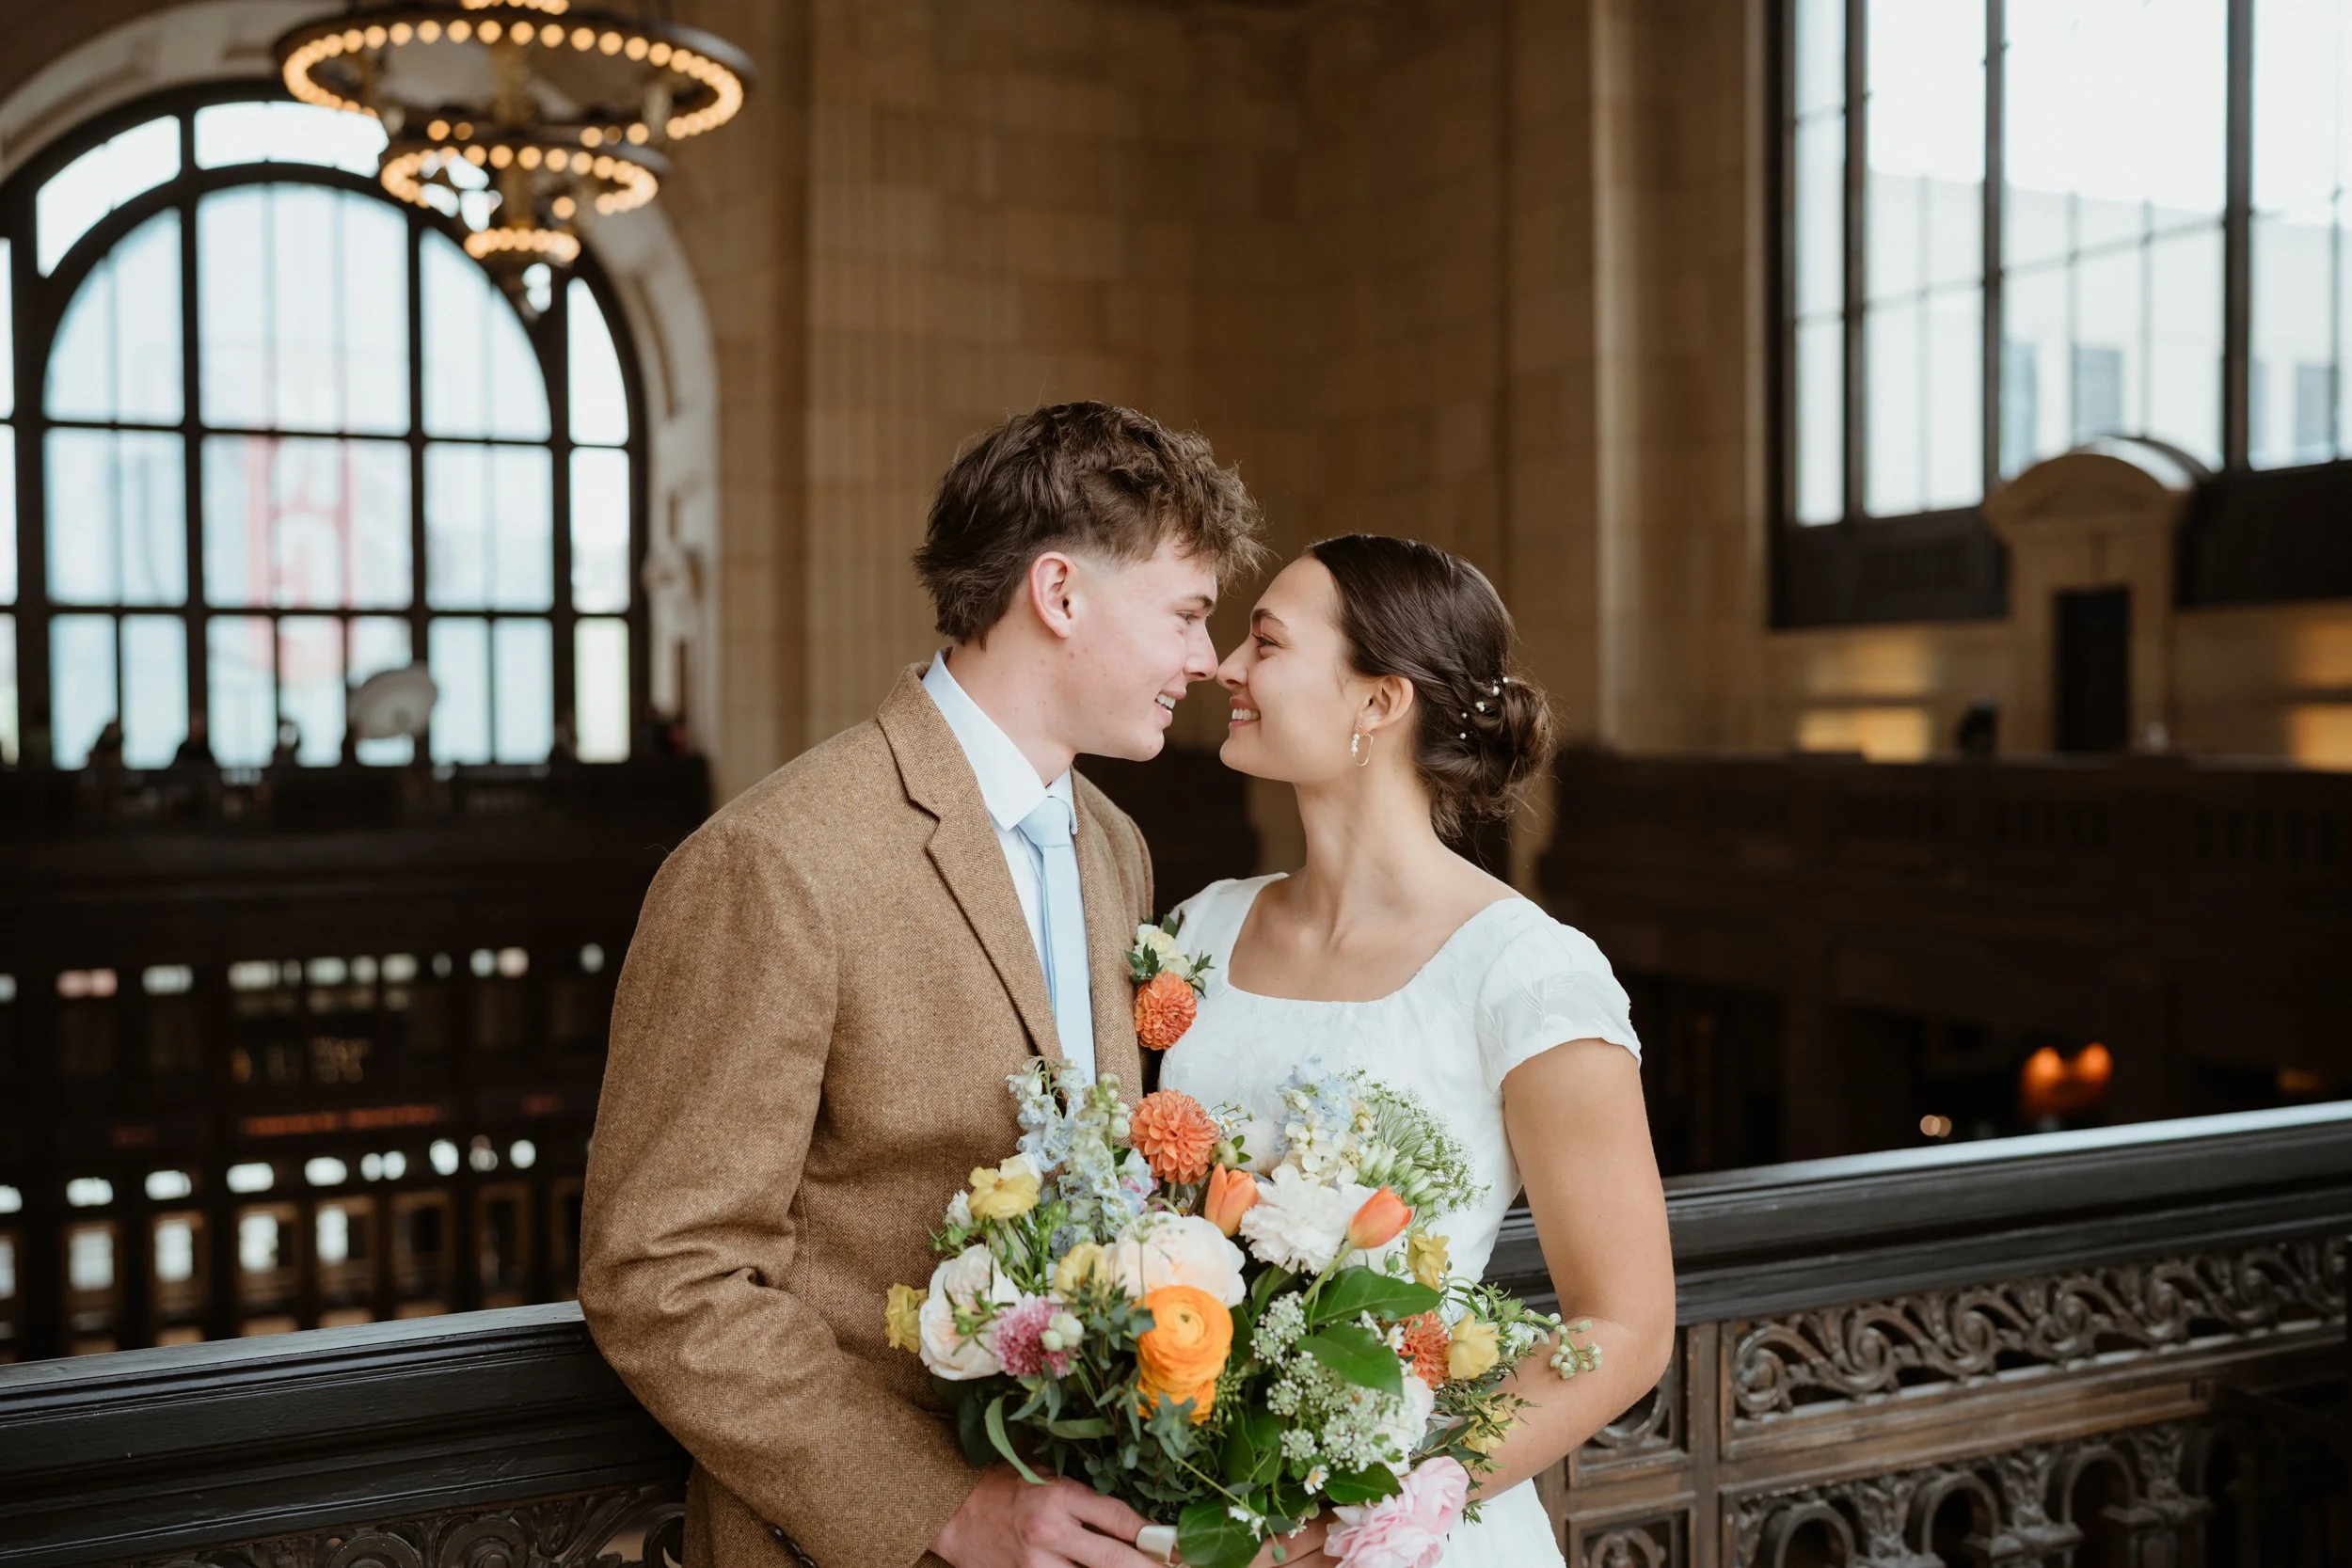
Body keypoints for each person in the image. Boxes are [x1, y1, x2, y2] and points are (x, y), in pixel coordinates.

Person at [578, 403, 1269, 1568]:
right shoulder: (776, 858)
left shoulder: (1113, 843)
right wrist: (937, 1506)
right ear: (1058, 592)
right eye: (1189, 615)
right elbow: (661, 1271)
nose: (1207, 661)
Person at [1160, 533, 1677, 1567]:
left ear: (1377, 701)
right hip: (1195, 1515)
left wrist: (1369, 1506)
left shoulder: (1526, 971)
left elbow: (1623, 1326)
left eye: (1265, 642)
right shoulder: (1196, 930)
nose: (1225, 666)